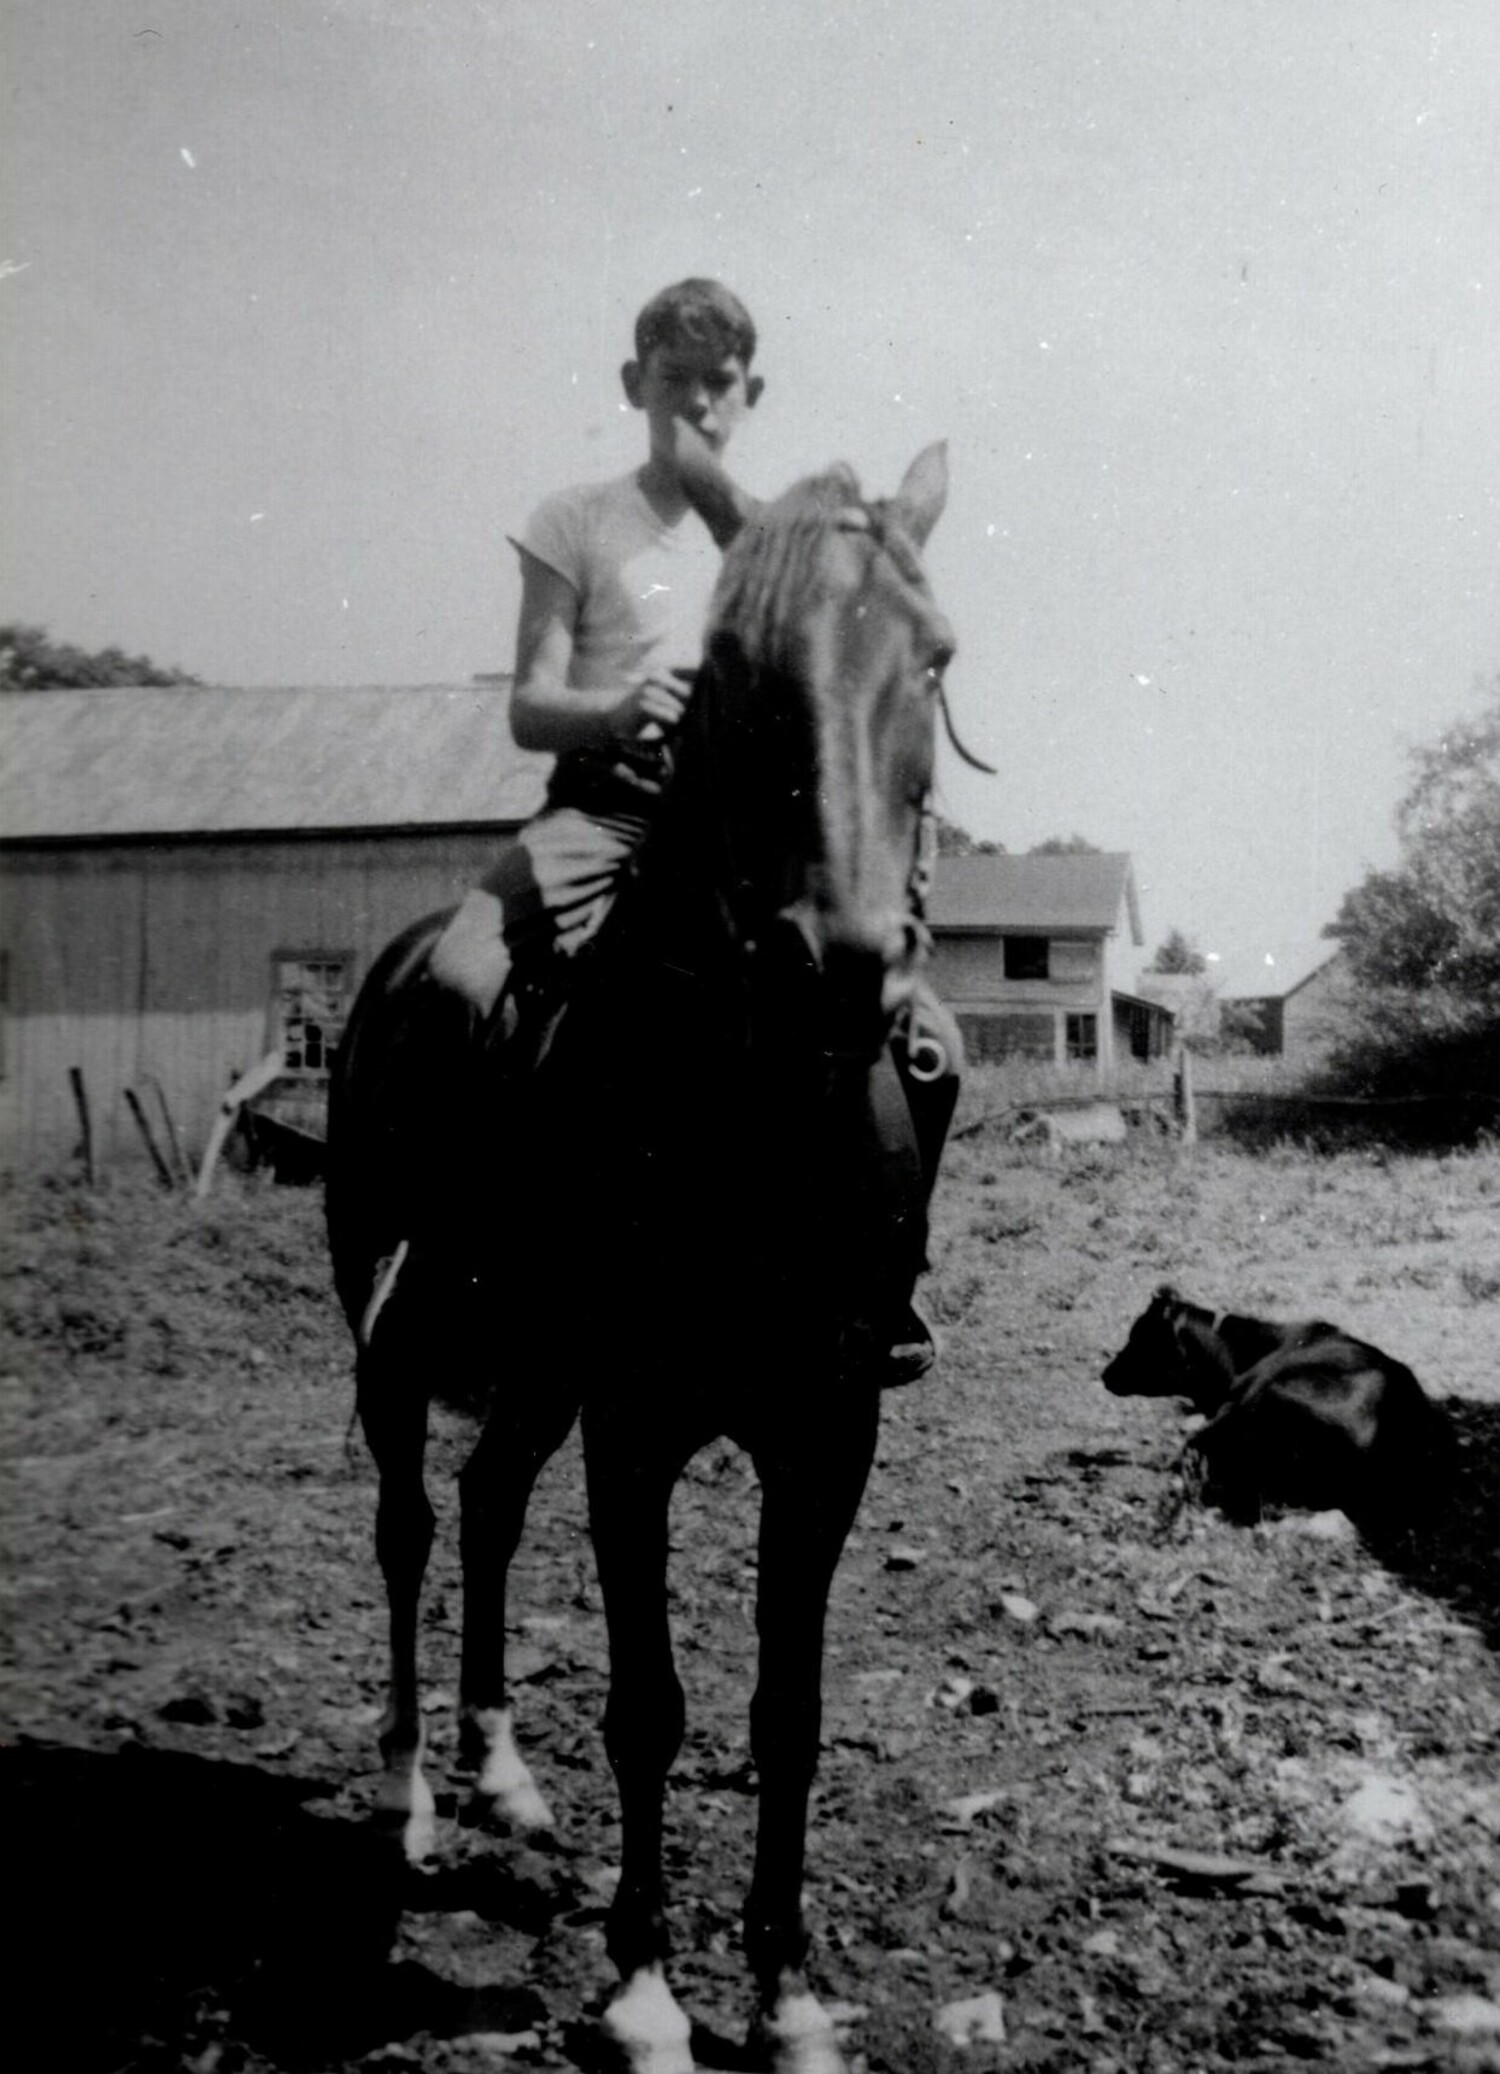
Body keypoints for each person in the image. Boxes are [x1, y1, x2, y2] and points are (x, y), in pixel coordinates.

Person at [430, 277, 959, 1379]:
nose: (700, 406)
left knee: (927, 1045)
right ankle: (458, 1271)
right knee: (462, 978)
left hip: (737, 837)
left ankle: (877, 1282)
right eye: (676, 382)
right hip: (602, 809)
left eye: (721, 386)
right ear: (637, 386)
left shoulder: (782, 540)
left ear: (749, 393)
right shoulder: (574, 520)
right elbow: (530, 706)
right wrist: (618, 707)